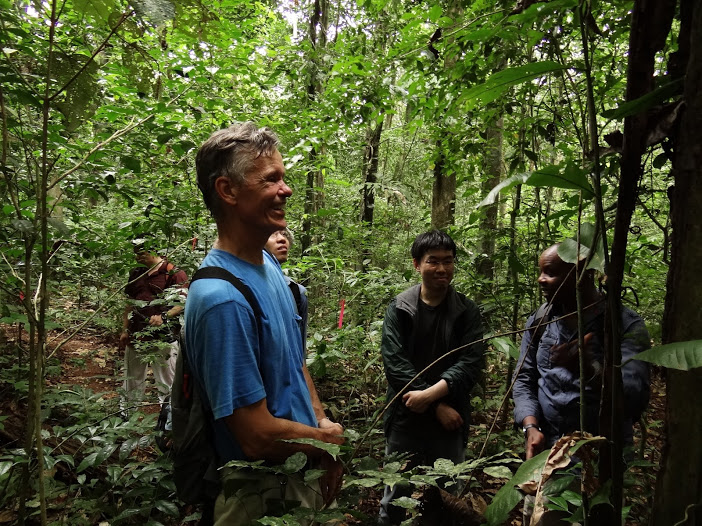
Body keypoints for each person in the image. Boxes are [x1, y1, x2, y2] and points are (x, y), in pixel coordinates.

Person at [187, 122, 344, 525]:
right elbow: (255, 435)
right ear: (228, 190)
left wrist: (321, 419)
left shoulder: (270, 265)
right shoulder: (222, 299)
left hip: (298, 468)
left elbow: (293, 360)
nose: (286, 189)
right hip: (258, 492)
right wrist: (325, 444)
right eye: (271, 179)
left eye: (284, 178)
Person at [512, 244, 650, 524]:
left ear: (581, 275)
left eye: (550, 273)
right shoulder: (541, 320)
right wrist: (530, 425)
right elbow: (524, 378)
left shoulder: (623, 324)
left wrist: (590, 369)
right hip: (549, 452)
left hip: (601, 457)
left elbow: (634, 396)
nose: (540, 279)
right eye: (540, 272)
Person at [378, 230, 485, 526]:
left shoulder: (467, 311)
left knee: (448, 496)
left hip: (451, 418)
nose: (441, 269)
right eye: (433, 261)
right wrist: (435, 404)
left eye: (448, 261)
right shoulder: (399, 307)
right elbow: (395, 363)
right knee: (395, 495)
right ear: (417, 264)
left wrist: (433, 395)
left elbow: (471, 361)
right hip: (406, 414)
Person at [119, 241, 188, 409]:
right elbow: (129, 303)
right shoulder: (136, 273)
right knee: (132, 378)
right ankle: (126, 415)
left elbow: (184, 301)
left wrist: (164, 317)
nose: (138, 257)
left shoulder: (173, 272)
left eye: (141, 253)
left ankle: (169, 419)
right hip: (137, 334)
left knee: (167, 380)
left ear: (153, 250)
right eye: (135, 253)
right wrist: (125, 329)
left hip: (164, 336)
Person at [265, 228, 308, 345]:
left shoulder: (296, 291)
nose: (282, 239)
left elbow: (300, 346)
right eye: (271, 234)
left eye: (284, 234)